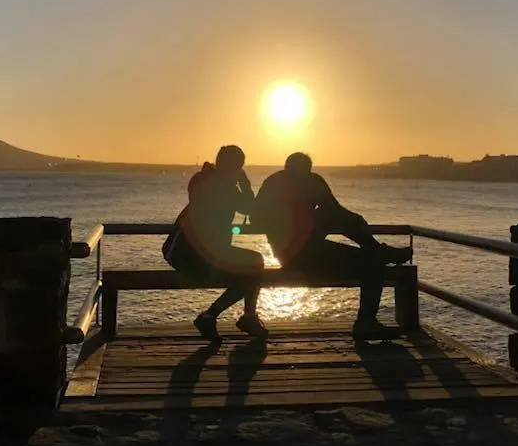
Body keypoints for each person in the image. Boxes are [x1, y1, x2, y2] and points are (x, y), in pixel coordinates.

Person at [253, 152, 411, 339]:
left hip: (307, 248)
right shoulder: (280, 185)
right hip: (299, 256)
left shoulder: (295, 182)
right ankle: (366, 322)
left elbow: (334, 209)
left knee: (348, 221)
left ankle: (378, 251)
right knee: (372, 263)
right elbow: (258, 216)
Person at [163, 145, 268, 342]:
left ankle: (231, 316)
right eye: (237, 167)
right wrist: (244, 185)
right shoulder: (216, 185)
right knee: (253, 267)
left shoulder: (205, 180)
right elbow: (249, 209)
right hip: (189, 252)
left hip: (192, 250)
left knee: (251, 268)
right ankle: (234, 316)